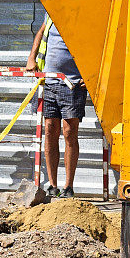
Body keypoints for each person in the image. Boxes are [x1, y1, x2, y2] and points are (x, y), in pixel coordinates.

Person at [25, 13, 86, 199]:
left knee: (69, 132)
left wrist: (92, 74)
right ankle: (52, 185)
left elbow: (98, 45)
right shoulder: (52, 10)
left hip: (72, 83)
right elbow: (41, 32)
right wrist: (31, 57)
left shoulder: (84, 14)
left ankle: (68, 187)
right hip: (48, 81)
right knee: (50, 130)